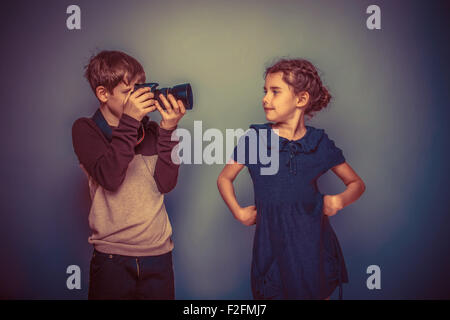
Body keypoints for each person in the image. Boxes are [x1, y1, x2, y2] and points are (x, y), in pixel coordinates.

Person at [217, 58, 366, 300]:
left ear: (301, 99)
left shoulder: (318, 143)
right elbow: (224, 178)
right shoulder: (255, 139)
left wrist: (339, 201)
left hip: (314, 250)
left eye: (275, 92)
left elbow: (357, 185)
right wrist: (238, 212)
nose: (266, 98)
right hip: (272, 249)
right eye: (265, 91)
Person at [72, 50, 186, 299]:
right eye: (128, 93)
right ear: (103, 93)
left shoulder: (153, 132)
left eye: (139, 91)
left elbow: (167, 184)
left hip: (158, 255)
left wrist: (168, 130)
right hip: (112, 259)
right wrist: (130, 121)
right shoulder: (86, 129)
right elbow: (110, 178)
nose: (138, 100)